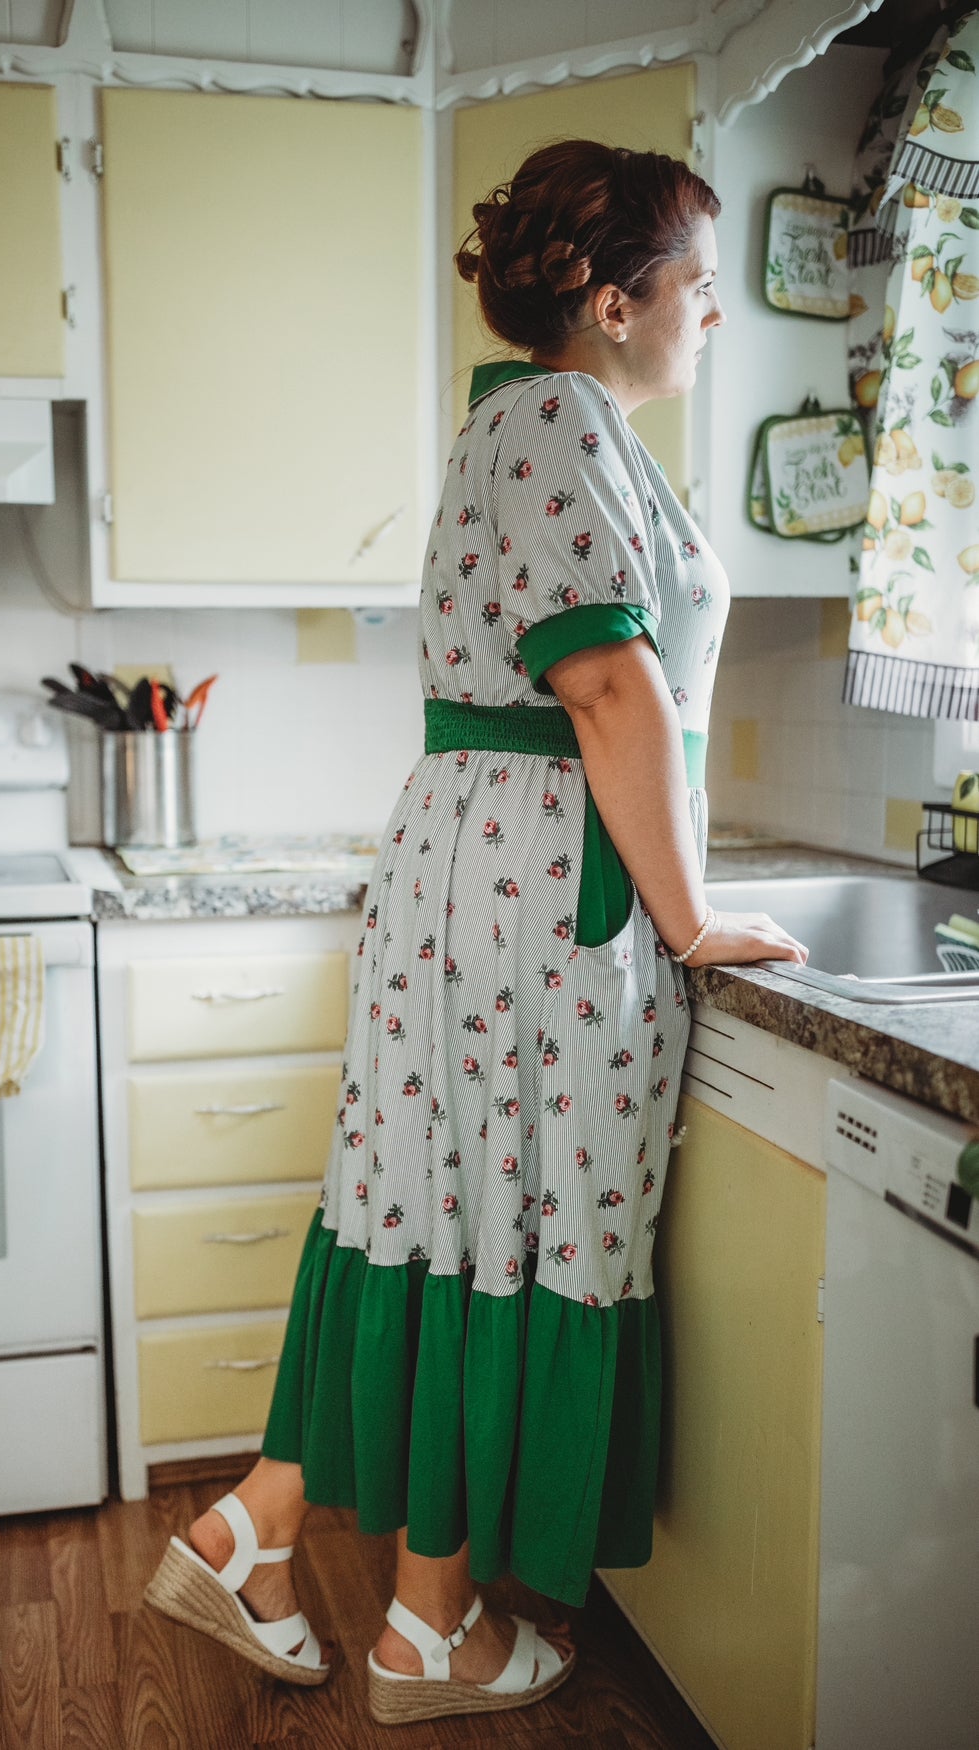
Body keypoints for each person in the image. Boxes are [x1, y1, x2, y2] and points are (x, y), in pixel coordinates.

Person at [143, 137, 810, 1726]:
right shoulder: (567, 421)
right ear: (609, 300)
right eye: (698, 289)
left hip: (473, 874)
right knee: (499, 1224)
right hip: (539, 889)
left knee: (436, 1212)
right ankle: (423, 1630)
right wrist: (692, 913)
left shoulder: (516, 422)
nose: (709, 316)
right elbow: (603, 681)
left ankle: (271, 1542)